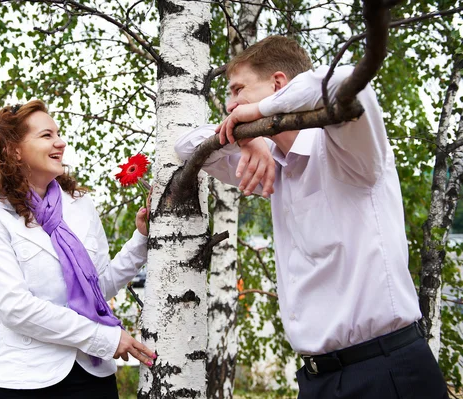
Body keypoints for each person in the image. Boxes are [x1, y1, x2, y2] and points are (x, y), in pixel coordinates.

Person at [175, 36, 448, 398]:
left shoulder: (350, 150)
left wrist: (259, 113)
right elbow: (186, 146)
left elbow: (345, 81)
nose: (230, 105)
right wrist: (248, 137)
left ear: (277, 85)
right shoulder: (270, 164)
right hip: (317, 381)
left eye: (238, 90)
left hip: (386, 372)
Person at [0, 100, 155, 399]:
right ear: (14, 149)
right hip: (26, 381)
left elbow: (100, 286)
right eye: (46, 135)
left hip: (93, 377)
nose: (60, 141)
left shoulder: (80, 205)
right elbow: (15, 308)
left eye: (58, 133)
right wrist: (100, 337)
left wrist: (141, 239)